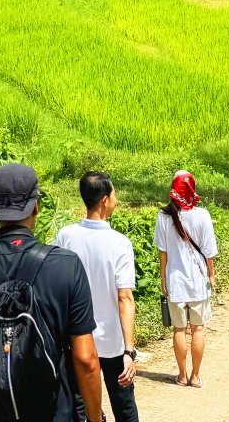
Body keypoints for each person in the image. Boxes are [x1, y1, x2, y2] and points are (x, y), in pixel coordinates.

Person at [0, 162, 106, 422]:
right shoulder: (66, 265)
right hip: (52, 411)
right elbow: (86, 358)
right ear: (36, 206)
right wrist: (95, 418)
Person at [52, 172, 139, 422]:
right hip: (111, 341)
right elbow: (125, 298)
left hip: (75, 340)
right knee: (124, 407)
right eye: (113, 194)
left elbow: (59, 287)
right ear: (104, 199)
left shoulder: (65, 236)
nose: (116, 199)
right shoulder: (119, 243)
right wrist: (129, 351)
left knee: (80, 408)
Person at [153, 169, 217, 389]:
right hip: (198, 282)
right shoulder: (202, 215)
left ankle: (181, 375)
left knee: (179, 329)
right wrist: (211, 274)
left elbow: (163, 252)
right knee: (197, 328)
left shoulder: (163, 217)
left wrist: (162, 277)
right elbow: (209, 252)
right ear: (192, 190)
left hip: (175, 282)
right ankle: (196, 376)